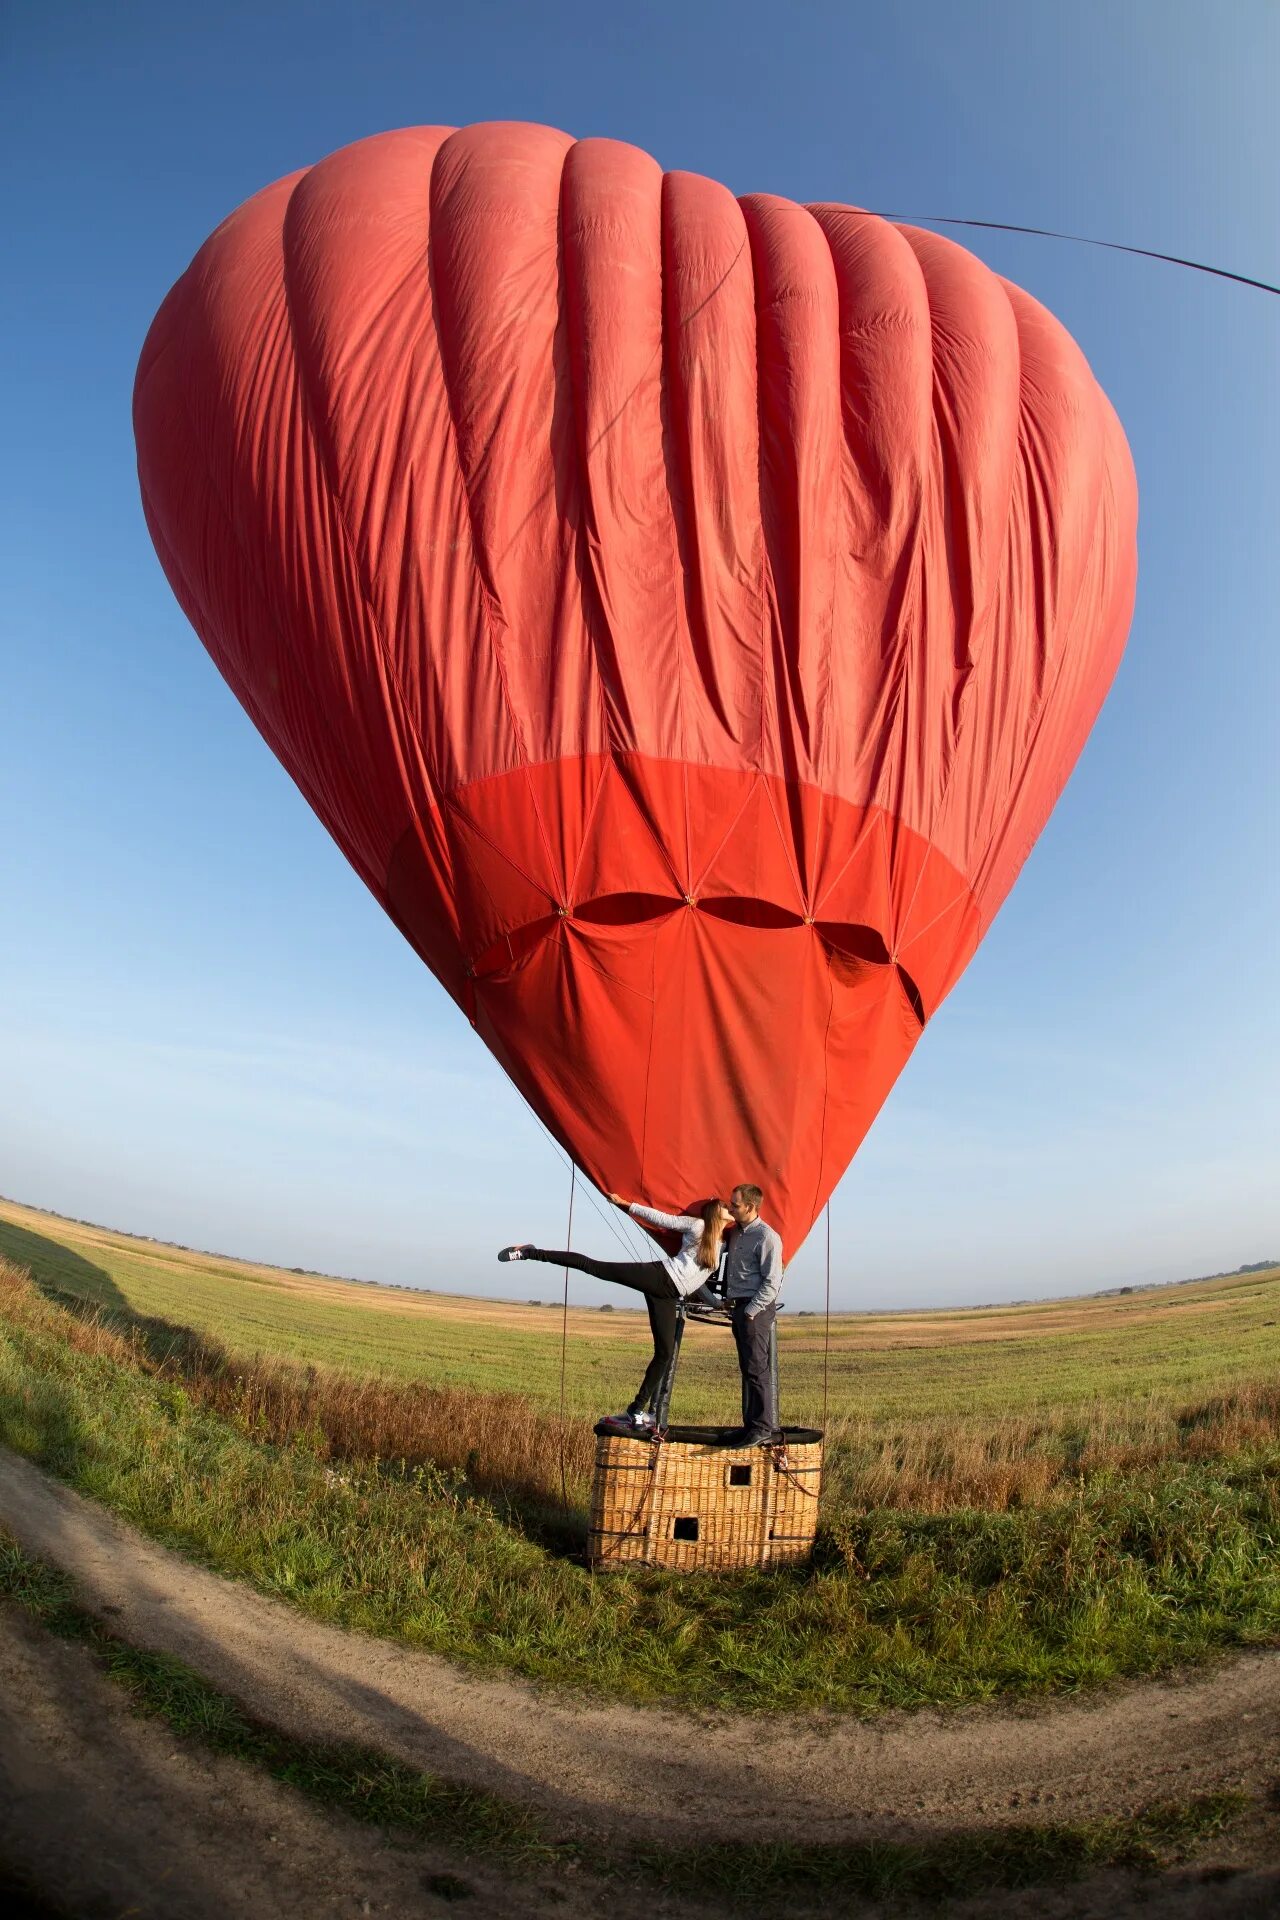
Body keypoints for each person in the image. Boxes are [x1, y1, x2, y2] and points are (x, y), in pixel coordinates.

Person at [498, 1197, 733, 1431]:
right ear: (716, 1212)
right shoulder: (698, 1226)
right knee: (595, 1267)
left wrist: (717, 1303)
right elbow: (663, 1219)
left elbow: (699, 1283)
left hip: (669, 1295)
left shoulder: (720, 1245)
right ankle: (529, 1253)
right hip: (659, 1277)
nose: (730, 1210)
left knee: (665, 1354)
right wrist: (627, 1205)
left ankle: (636, 1410)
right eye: (726, 1207)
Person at [723, 1183, 785, 1445]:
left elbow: (772, 1282)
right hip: (739, 1307)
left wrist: (749, 1312)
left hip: (754, 1310)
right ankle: (750, 1426)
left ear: (750, 1207)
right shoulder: (736, 1234)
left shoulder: (766, 1237)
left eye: (735, 1205)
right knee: (748, 1369)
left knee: (757, 1369)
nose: (730, 1208)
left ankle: (763, 1428)